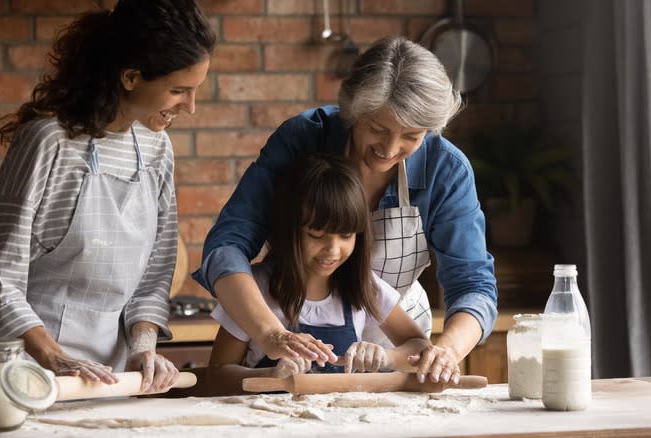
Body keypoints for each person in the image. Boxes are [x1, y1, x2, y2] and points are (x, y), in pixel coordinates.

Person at [193, 36, 497, 385]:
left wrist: (444, 351)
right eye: (377, 129)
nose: (389, 149)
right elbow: (227, 246)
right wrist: (271, 334)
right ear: (353, 109)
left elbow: (473, 283)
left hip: (399, 350)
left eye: (411, 137)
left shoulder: (446, 169)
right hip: (283, 333)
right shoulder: (303, 139)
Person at [0, 0, 216, 392]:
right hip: (31, 374)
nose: (190, 107)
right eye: (178, 91)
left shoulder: (157, 150)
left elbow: (154, 276)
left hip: (113, 379)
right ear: (132, 76)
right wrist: (54, 359)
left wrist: (143, 348)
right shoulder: (48, 142)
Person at [205, 154, 432, 394]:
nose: (333, 250)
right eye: (316, 235)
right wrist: (271, 376)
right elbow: (216, 375)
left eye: (346, 236)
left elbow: (419, 346)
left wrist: (386, 356)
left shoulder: (364, 286)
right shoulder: (252, 289)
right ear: (289, 230)